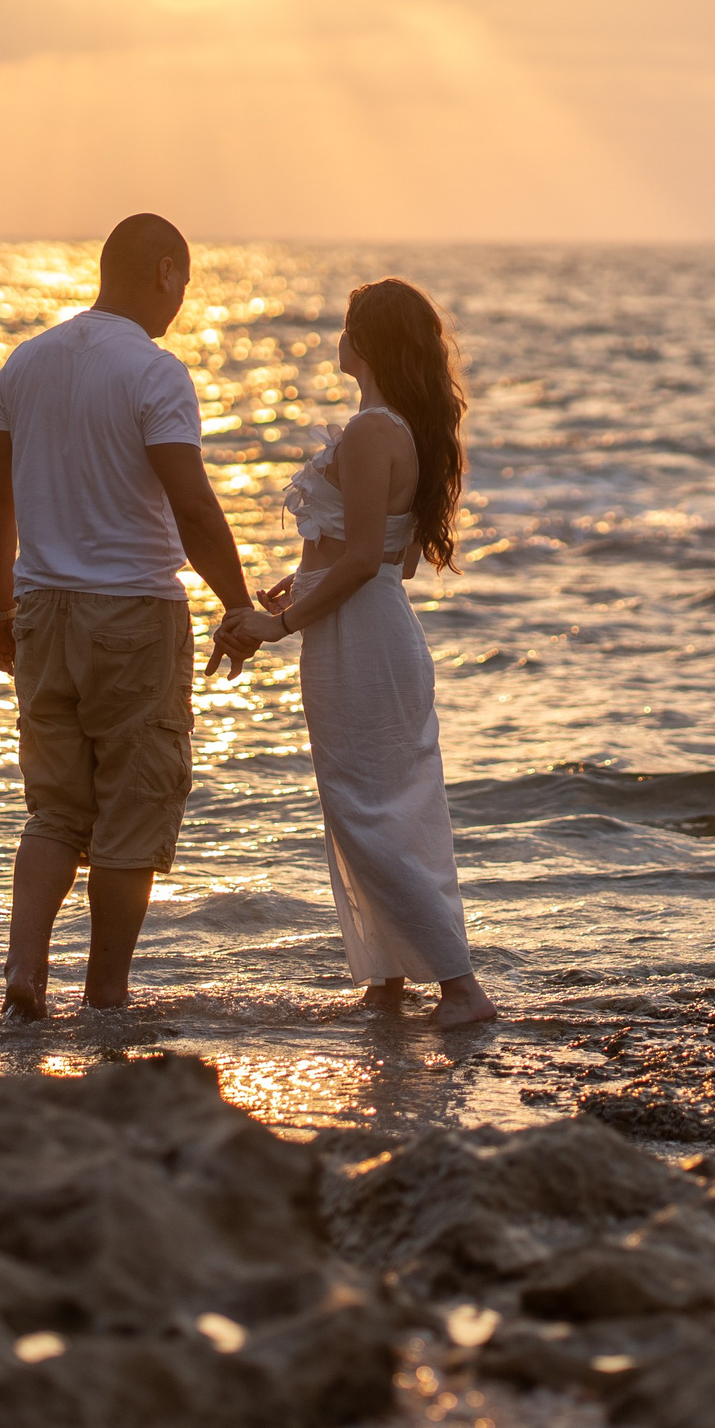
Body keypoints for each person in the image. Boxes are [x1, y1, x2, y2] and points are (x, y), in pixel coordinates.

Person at [0, 213, 253, 1020]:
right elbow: (194, 507)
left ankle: (24, 974)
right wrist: (236, 602)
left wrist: (1, 607)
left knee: (55, 810)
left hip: (42, 610)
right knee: (135, 804)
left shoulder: (26, 362)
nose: (181, 304)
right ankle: (106, 994)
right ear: (166, 271)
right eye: (184, 285)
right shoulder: (155, 373)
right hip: (133, 613)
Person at [222, 278, 499, 1027]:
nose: (338, 339)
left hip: (361, 637)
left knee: (371, 811)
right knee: (375, 808)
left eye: (348, 327)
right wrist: (300, 579)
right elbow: (386, 558)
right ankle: (386, 979)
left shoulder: (375, 430)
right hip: (371, 626)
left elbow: (360, 566)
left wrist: (278, 627)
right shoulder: (401, 427)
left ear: (368, 342)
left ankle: (460, 987)